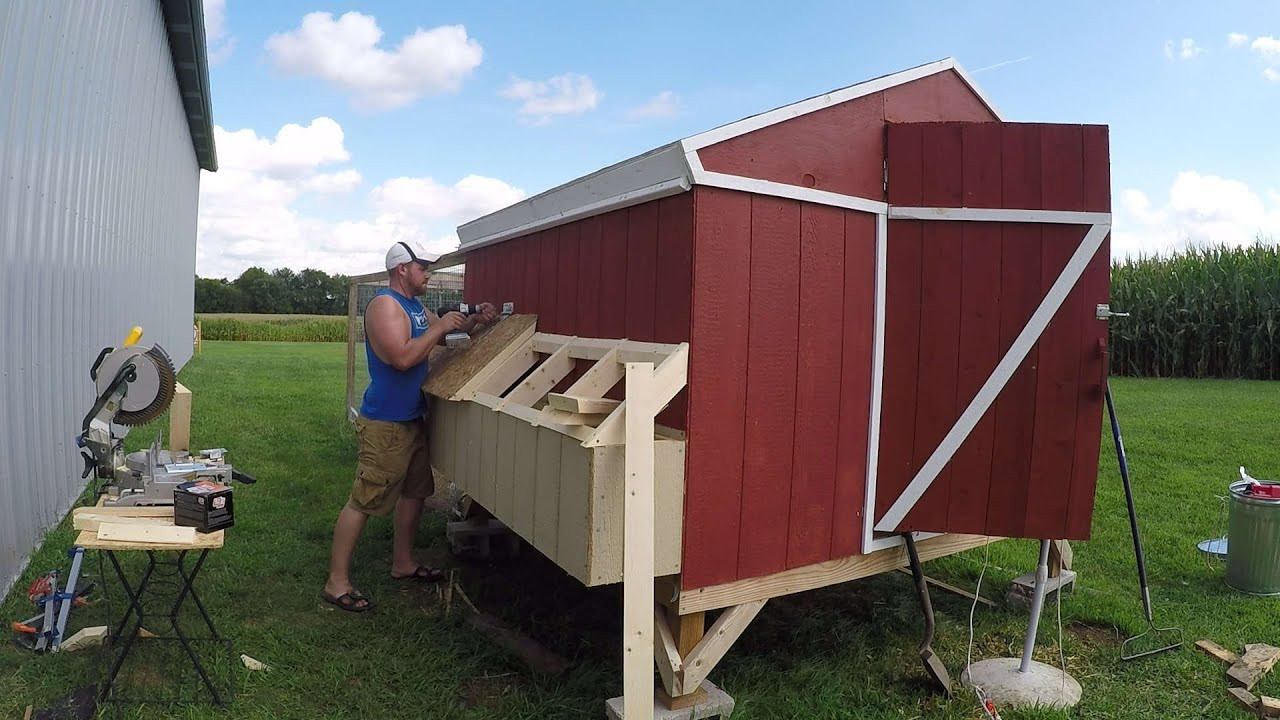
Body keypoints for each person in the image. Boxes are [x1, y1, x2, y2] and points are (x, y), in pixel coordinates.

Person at [322, 241, 497, 612]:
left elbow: (449, 339)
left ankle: (403, 562)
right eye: (423, 267)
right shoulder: (384, 306)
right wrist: (440, 328)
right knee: (365, 499)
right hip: (385, 423)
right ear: (402, 268)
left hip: (413, 418)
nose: (428, 274)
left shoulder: (416, 307)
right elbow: (402, 357)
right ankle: (336, 582)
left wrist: (476, 323)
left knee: (416, 491)